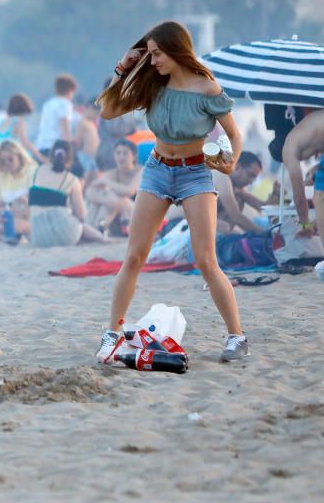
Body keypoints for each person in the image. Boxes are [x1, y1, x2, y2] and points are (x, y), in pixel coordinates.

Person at [96, 20, 248, 364]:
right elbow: (107, 111)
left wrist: (231, 162)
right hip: (158, 170)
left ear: (177, 50)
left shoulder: (207, 88)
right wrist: (123, 67)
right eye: (149, 55)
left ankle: (237, 336)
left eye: (158, 54)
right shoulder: (153, 85)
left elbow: (235, 135)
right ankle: (112, 333)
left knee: (206, 260)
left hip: (196, 173)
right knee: (134, 256)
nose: (153, 62)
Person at [28, 140, 107, 248]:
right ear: (70, 160)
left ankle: (101, 238)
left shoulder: (35, 172)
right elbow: (81, 215)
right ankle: (103, 239)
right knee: (79, 225)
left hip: (39, 236)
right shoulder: (71, 180)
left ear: (51, 155)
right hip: (66, 235)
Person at [280, 109, 324, 238]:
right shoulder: (305, 133)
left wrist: (305, 224)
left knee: (320, 198)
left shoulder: (288, 151)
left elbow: (299, 196)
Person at [85, 138, 141, 235]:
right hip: (118, 218)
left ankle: (93, 230)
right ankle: (94, 229)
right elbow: (89, 192)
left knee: (116, 198)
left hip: (138, 214)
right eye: (118, 153)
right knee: (102, 202)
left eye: (125, 153)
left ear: (134, 156)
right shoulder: (112, 173)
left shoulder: (141, 171)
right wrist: (106, 200)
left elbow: (129, 191)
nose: (121, 157)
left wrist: (106, 183)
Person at [0, 139, 36, 238]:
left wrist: (22, 201)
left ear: (19, 156)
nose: (7, 163)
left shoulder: (32, 171)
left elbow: (37, 201)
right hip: (9, 215)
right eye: (3, 161)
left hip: (29, 216)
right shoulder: (2, 175)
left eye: (10, 159)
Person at [213, 151, 265, 234]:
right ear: (237, 167)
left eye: (254, 178)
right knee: (225, 227)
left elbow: (262, 207)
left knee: (235, 232)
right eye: (250, 175)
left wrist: (276, 197)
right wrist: (264, 234)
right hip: (188, 225)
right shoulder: (221, 176)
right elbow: (236, 217)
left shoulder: (237, 188)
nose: (251, 182)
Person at [0, 93, 45, 163]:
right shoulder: (18, 121)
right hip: (13, 159)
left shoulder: (2, 121)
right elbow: (25, 142)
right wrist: (40, 156)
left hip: (0, 159)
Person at [35, 74, 78, 155]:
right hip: (56, 147)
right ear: (69, 90)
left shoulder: (48, 104)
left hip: (42, 145)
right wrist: (70, 145)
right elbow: (65, 127)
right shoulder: (65, 104)